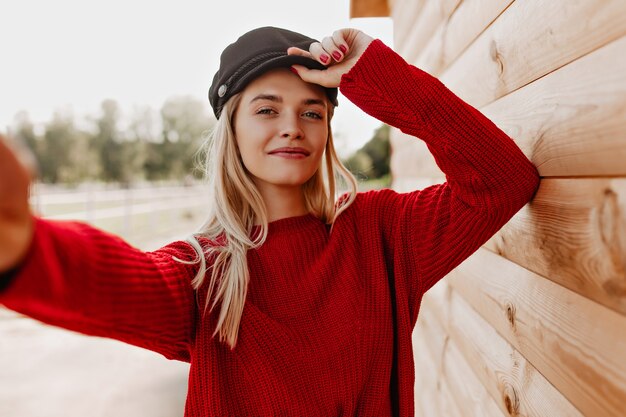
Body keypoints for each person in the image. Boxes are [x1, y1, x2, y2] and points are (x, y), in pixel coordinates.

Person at [0, 26, 540, 417]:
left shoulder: (383, 233)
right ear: (231, 129)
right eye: (266, 109)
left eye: (313, 111)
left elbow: (501, 180)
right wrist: (24, 245)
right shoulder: (203, 270)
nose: (292, 127)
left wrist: (375, 71)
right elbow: (115, 283)